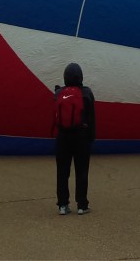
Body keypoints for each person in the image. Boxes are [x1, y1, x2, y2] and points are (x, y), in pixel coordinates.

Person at [54, 63, 97, 216]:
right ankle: (82, 205)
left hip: (62, 137)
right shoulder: (87, 93)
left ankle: (63, 205)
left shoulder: (58, 93)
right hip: (81, 137)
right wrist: (91, 138)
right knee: (82, 171)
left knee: (62, 172)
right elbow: (91, 118)